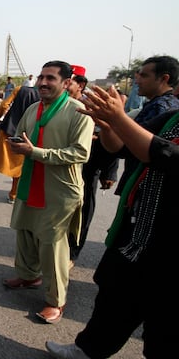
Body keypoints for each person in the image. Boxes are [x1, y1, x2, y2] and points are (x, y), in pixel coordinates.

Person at [45, 83, 179, 359]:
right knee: (114, 298)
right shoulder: (172, 118)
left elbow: (166, 156)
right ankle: (88, 349)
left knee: (165, 325)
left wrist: (118, 119)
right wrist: (108, 124)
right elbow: (123, 147)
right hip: (139, 235)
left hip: (170, 244)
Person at [3, 60, 94, 324]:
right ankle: (28, 275)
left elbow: (81, 153)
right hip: (30, 182)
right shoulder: (33, 108)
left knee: (52, 246)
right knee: (25, 233)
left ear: (66, 83)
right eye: (42, 77)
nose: (43, 82)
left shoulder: (79, 111)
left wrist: (36, 152)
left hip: (59, 190)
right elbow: (21, 135)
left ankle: (56, 301)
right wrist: (16, 144)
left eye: (51, 78)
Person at [66, 65, 119, 265]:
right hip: (63, 166)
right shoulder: (59, 104)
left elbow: (110, 134)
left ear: (80, 84)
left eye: (68, 81)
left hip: (88, 166)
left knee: (83, 208)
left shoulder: (92, 105)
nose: (64, 84)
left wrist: (110, 171)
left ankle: (73, 251)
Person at [113, 55, 179, 197]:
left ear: (164, 79)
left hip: (146, 188)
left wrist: (115, 119)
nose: (138, 81)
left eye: (144, 76)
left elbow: (133, 145)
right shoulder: (155, 105)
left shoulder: (162, 108)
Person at [0, 85, 40, 203]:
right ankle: (13, 195)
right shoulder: (45, 96)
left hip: (8, 130)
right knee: (19, 165)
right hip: (27, 134)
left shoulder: (20, 89)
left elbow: (4, 105)